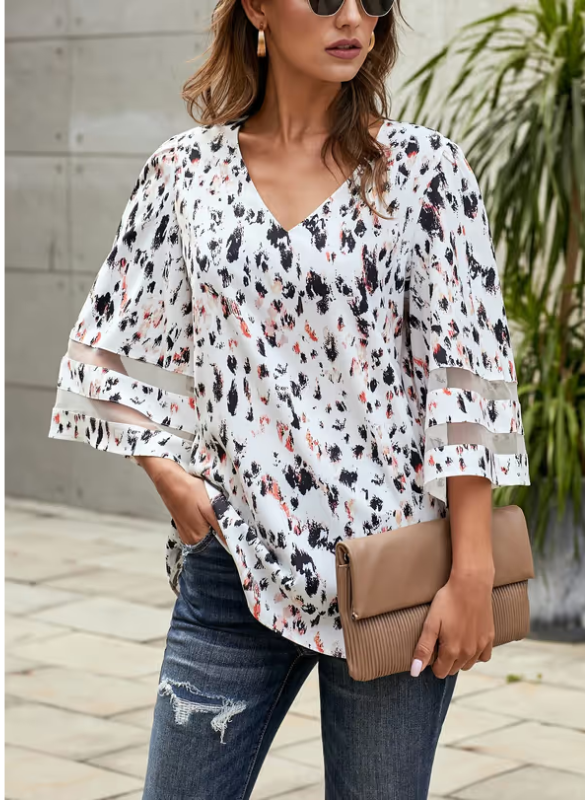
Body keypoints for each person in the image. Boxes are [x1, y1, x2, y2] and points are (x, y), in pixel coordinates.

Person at [48, 0, 530, 797]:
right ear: (259, 8)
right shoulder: (185, 173)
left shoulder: (423, 173)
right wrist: (167, 471)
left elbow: (463, 379)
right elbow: (102, 348)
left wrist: (472, 571)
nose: (353, 18)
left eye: (373, 1)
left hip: (394, 577)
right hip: (232, 571)